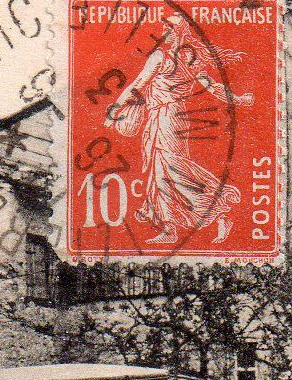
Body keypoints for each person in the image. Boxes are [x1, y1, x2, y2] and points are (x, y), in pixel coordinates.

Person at [104, 13, 254, 245]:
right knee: (166, 170)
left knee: (167, 170)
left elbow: (137, 85)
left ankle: (203, 216)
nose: (165, 32)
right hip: (176, 118)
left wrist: (115, 110)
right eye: (165, 28)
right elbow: (212, 87)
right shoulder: (190, 58)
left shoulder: (159, 57)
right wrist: (239, 99)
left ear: (176, 32)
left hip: (164, 117)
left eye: (168, 29)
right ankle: (176, 222)